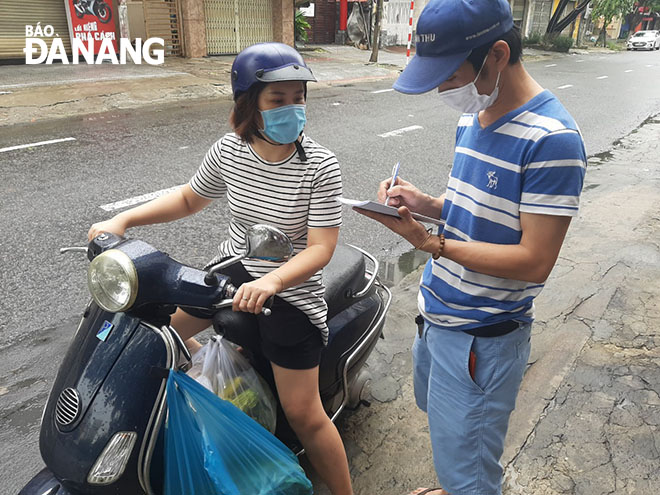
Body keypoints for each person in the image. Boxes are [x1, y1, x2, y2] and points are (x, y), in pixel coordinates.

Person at [88, 42, 353, 495]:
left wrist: (273, 280)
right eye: (278, 100)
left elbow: (321, 249)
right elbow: (191, 197)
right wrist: (123, 220)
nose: (293, 109)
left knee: (305, 414)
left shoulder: (321, 167)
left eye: (299, 98)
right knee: (152, 332)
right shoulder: (230, 150)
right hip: (232, 272)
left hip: (290, 293)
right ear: (249, 105)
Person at [356, 1, 586, 494]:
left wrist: (430, 244)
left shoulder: (553, 140)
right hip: (436, 317)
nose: (442, 90)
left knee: (473, 474)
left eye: (448, 76)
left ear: (497, 54)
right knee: (453, 437)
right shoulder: (474, 117)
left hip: (482, 337)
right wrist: (427, 203)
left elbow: (533, 261)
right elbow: (475, 210)